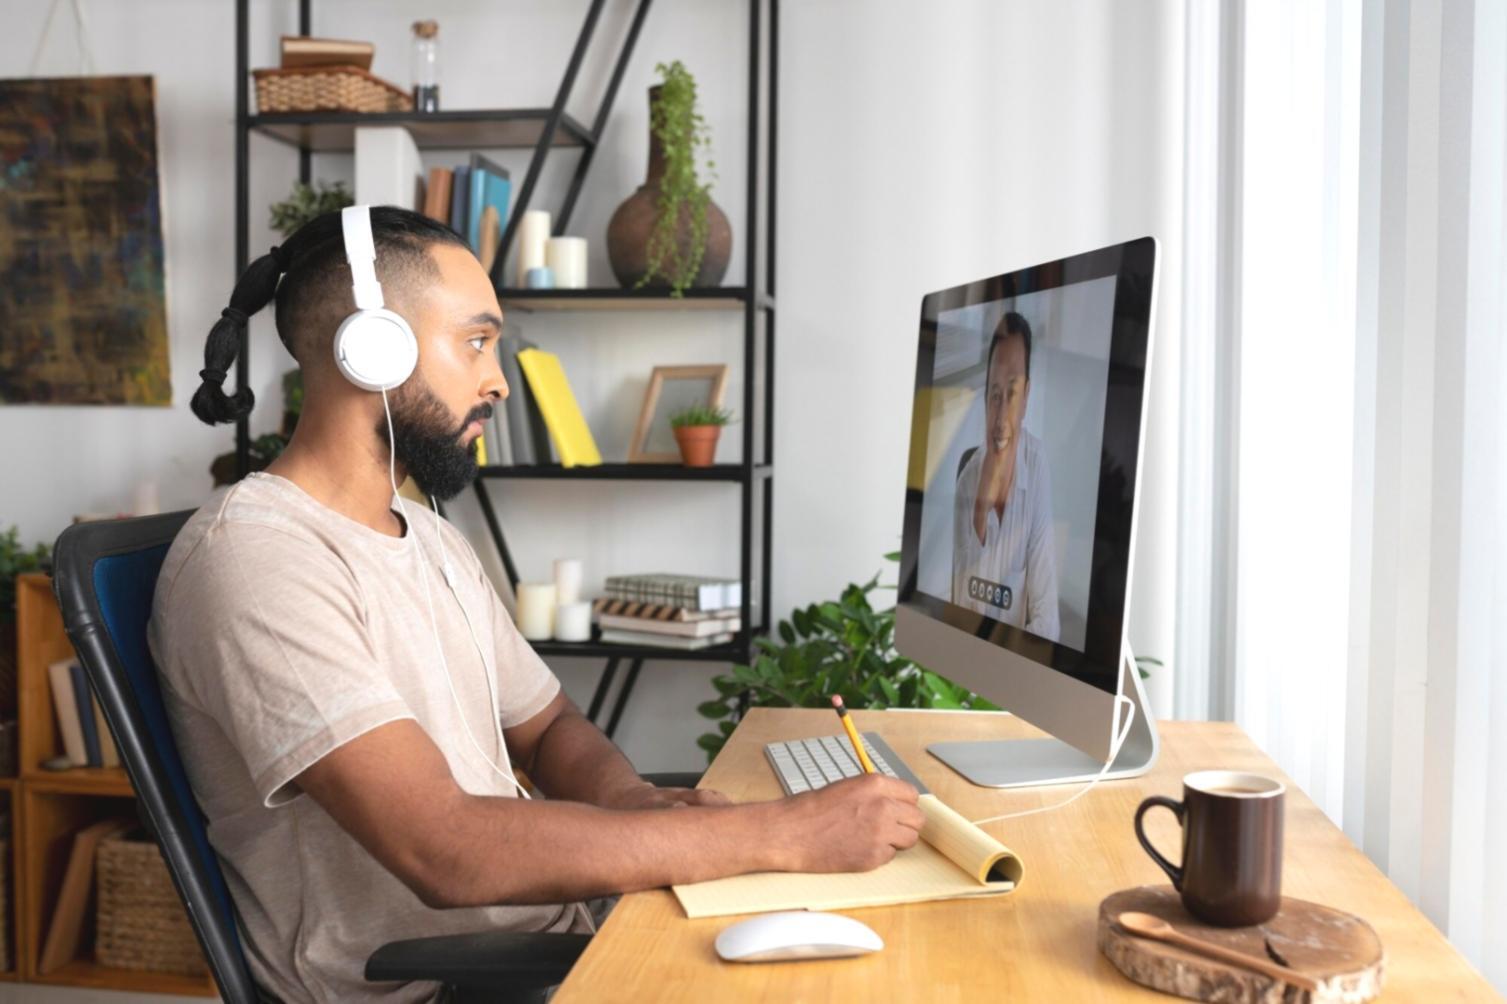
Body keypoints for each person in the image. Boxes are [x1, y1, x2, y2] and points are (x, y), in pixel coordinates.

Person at [147, 207, 924, 1003]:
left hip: (547, 944)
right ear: (370, 348)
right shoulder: (258, 560)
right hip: (441, 986)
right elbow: (444, 850)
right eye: (476, 341)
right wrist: (781, 836)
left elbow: (548, 726)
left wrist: (629, 800)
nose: (498, 380)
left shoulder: (427, 535)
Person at [950, 310, 1061, 640]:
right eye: (995, 395)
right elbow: (958, 621)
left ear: (1026, 396)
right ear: (985, 400)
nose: (1000, 419)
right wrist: (980, 515)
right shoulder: (966, 483)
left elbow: (1047, 618)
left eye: (1011, 394)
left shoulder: (1037, 463)